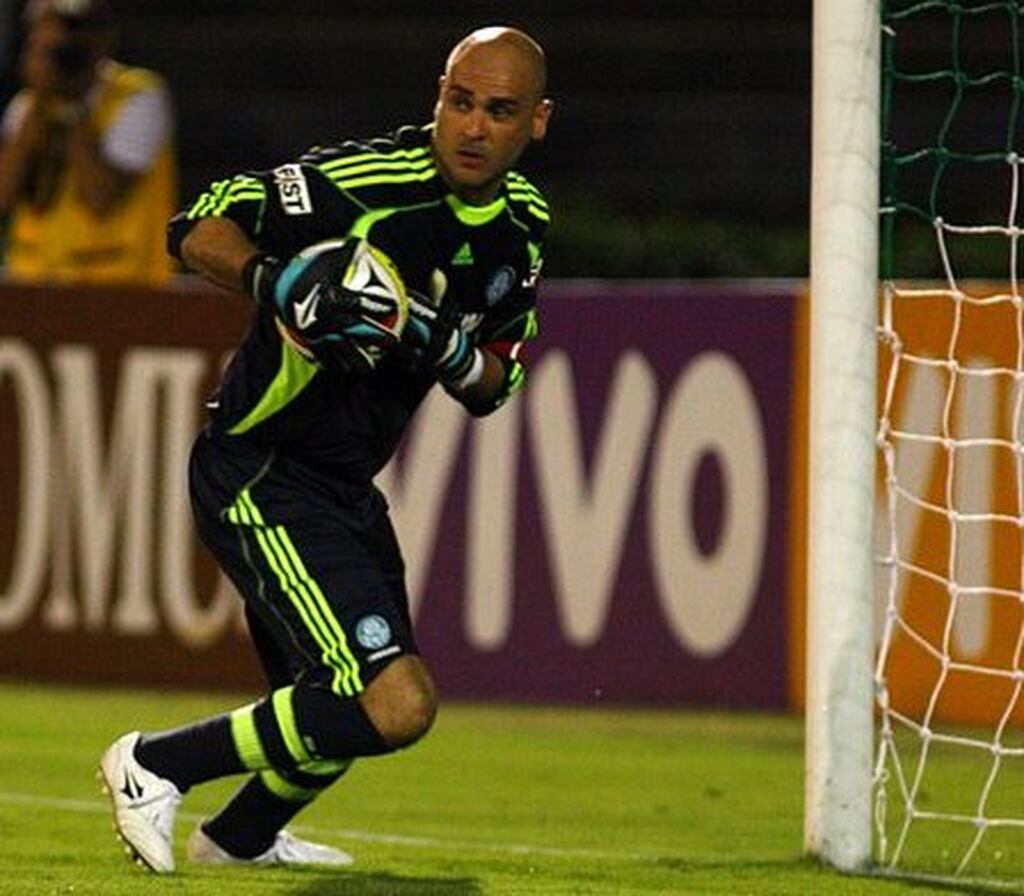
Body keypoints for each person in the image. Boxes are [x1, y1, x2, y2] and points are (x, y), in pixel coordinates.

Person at [98, 25, 552, 872]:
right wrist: (278, 279)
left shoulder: (522, 227)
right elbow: (198, 222)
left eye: (499, 110)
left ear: (537, 122)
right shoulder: (363, 185)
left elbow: (497, 383)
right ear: (437, 97)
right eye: (460, 102)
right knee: (393, 699)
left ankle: (237, 841)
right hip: (260, 469)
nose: (473, 127)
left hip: (342, 485)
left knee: (335, 704)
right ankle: (154, 763)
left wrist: (444, 345)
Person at [0, 0, 176, 285]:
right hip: (33, 280)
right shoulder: (28, 105)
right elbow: (4, 195)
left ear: (103, 36)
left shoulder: (138, 95)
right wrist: (42, 97)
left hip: (119, 287)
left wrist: (73, 105)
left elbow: (100, 196)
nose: (63, 44)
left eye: (75, 29)